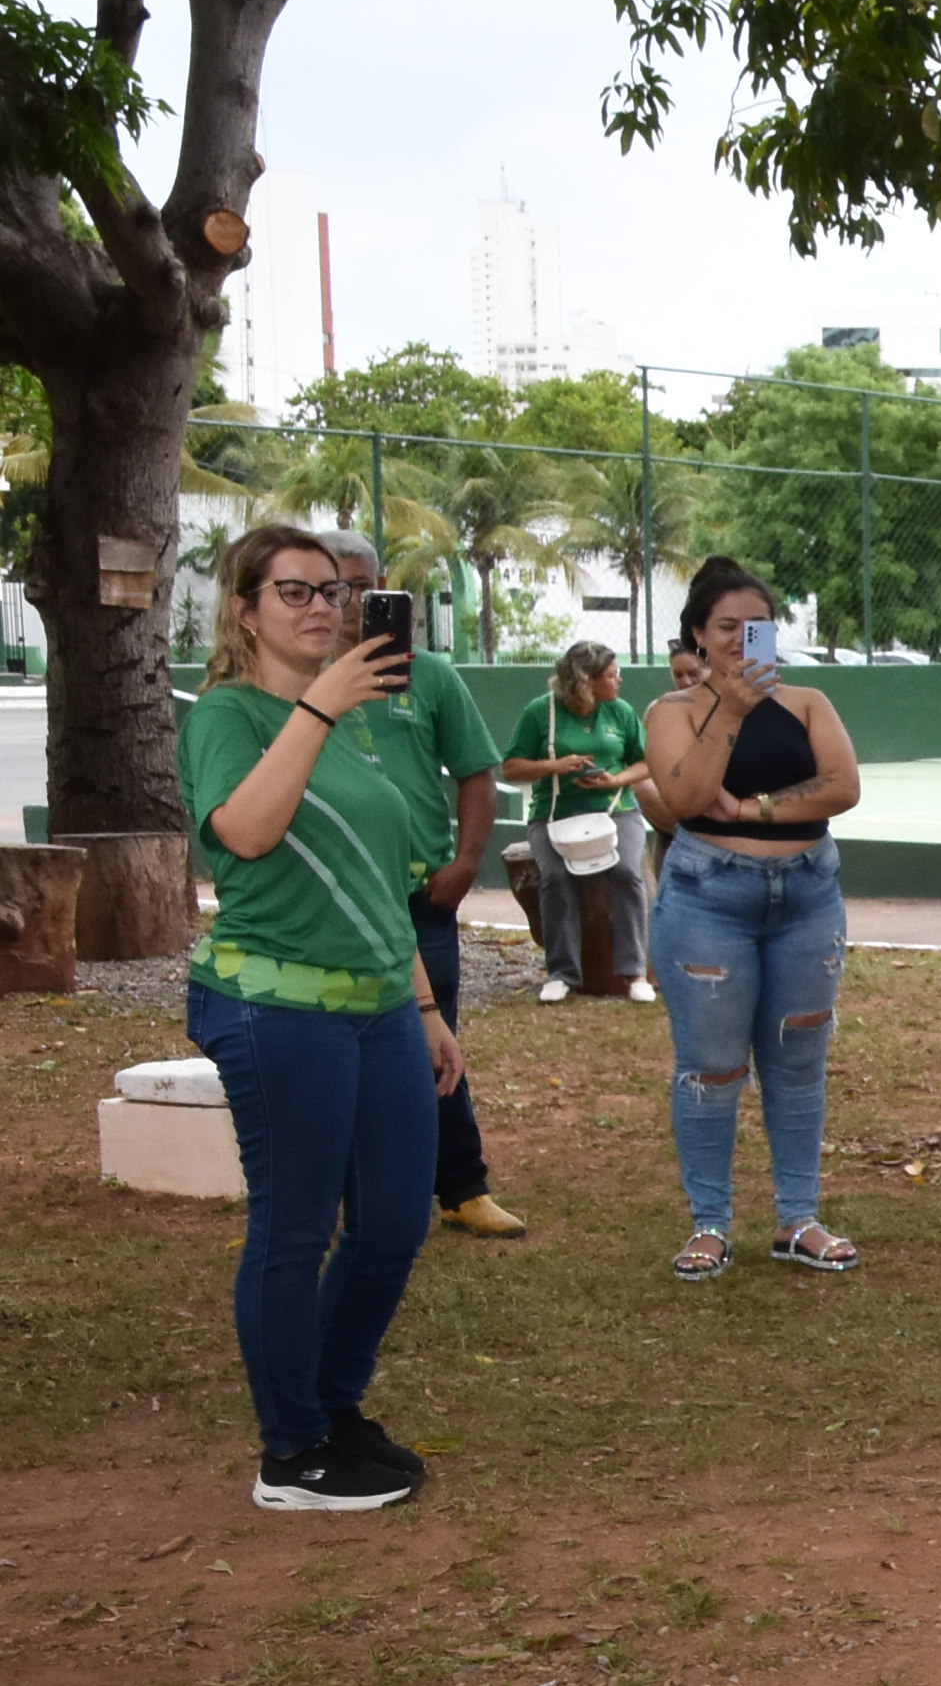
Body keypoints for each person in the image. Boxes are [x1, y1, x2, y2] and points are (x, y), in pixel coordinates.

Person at [179, 526, 463, 1510]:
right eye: (293, 591)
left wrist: (424, 1006)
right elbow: (245, 835)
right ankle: (291, 1454)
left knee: (393, 1221)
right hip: (275, 1007)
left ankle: (332, 1411)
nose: (321, 607)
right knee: (294, 1228)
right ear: (245, 610)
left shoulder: (355, 723)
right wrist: (316, 707)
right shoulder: (228, 714)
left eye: (334, 591)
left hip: (381, 1005)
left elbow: (380, 879)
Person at [638, 558, 865, 1281]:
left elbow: (842, 787)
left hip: (807, 896)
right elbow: (684, 799)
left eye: (757, 626)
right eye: (726, 627)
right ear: (697, 637)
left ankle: (799, 1220)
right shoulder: (672, 713)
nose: (741, 639)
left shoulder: (807, 702)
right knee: (712, 1068)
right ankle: (709, 1224)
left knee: (798, 1063)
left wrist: (753, 808)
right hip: (710, 900)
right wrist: (731, 710)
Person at [324, 529, 525, 1239]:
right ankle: (344, 1194)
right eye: (334, 587)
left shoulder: (429, 674)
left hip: (420, 899)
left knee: (434, 1045)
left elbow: (477, 773)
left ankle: (462, 1188)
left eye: (363, 585)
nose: (351, 601)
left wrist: (465, 863)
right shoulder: (298, 680)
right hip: (332, 897)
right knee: (331, 1045)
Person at [503, 640, 653, 1005]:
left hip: (615, 809)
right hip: (555, 812)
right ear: (586, 680)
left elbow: (647, 761)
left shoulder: (619, 711)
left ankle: (634, 972)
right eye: (612, 675)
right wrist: (554, 766)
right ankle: (562, 973)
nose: (619, 681)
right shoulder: (541, 712)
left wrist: (615, 780)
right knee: (556, 877)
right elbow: (511, 768)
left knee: (627, 872)